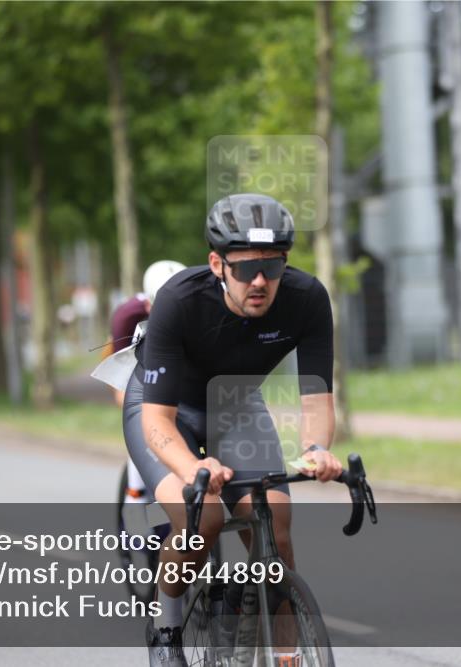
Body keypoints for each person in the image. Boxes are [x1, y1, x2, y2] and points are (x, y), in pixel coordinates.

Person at [123, 193, 342, 666]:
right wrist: (193, 464)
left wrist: (317, 448)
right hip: (167, 407)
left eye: (273, 266)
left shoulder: (307, 299)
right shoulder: (180, 301)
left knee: (276, 528)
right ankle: (165, 626)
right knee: (203, 519)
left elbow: (317, 400)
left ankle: (286, 657)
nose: (260, 281)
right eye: (245, 269)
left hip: (236, 404)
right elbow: (157, 422)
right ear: (217, 264)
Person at [110, 260, 187, 506]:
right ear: (148, 304)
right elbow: (121, 382)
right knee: (143, 423)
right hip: (135, 374)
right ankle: (135, 493)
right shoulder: (127, 316)